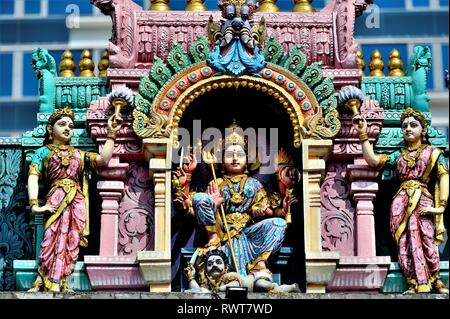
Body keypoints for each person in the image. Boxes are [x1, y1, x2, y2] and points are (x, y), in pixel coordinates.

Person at [174, 121, 291, 282]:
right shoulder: (217, 183)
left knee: (279, 224)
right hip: (221, 230)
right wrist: (191, 182)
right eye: (229, 154)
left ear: (248, 159)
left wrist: (269, 211)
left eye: (240, 154)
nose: (235, 158)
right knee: (202, 198)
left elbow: (268, 210)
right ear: (221, 161)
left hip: (248, 234)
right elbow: (193, 205)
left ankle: (259, 264)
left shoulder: (254, 184)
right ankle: (213, 239)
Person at [354, 107, 449, 294]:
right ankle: (413, 281)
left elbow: (444, 176)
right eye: (404, 126)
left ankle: (434, 279)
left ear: (424, 130)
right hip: (401, 202)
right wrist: (363, 134)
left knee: (426, 239)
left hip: (423, 200)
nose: (408, 129)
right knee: (405, 241)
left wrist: (441, 207)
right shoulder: (399, 155)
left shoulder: (433, 153)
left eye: (413, 125)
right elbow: (373, 160)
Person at [27, 107, 121, 292]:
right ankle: (43, 278)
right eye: (62, 124)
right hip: (55, 200)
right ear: (49, 129)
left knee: (72, 239)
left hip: (76, 202)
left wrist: (111, 134)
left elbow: (103, 160)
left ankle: (63, 279)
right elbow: (33, 177)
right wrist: (35, 205)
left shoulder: (79, 154)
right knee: (50, 239)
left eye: (70, 125)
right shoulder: (43, 152)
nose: (67, 128)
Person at [184, 249, 300, 293]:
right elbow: (197, 291)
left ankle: (292, 287)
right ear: (205, 271)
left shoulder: (229, 276)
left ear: (226, 268)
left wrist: (217, 290)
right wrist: (191, 277)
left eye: (218, 262)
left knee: (263, 285)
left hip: (256, 278)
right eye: (210, 264)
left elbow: (234, 287)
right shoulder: (210, 283)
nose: (214, 265)